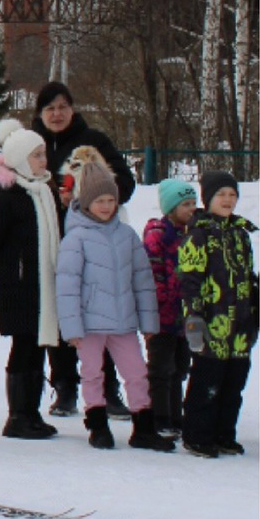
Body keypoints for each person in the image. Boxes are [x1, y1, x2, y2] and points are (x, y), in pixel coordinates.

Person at [32, 81, 138, 417]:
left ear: (73, 108)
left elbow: (125, 182)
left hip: (95, 244)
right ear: (40, 113)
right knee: (62, 314)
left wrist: (87, 194)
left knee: (99, 315)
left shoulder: (94, 141)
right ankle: (64, 387)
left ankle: (108, 390)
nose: (57, 114)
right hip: (51, 242)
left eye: (63, 106)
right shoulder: (33, 145)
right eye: (50, 108)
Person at [55, 162, 169, 451]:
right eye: (99, 201)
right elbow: (67, 286)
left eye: (110, 201)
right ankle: (97, 424)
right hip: (90, 324)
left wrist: (149, 323)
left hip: (124, 322)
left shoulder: (127, 235)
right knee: (92, 373)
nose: (106, 206)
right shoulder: (75, 238)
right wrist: (72, 327)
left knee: (136, 373)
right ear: (87, 202)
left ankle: (143, 426)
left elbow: (142, 280)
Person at [0, 118, 65, 439]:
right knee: (23, 345)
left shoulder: (45, 190)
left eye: (44, 154)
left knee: (38, 346)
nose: (44, 161)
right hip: (18, 285)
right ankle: (17, 414)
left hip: (43, 285)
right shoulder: (8, 196)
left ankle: (32, 411)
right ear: (18, 159)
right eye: (36, 155)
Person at [178, 170, 257, 459]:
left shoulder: (240, 234)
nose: (227, 200)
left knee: (233, 383)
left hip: (240, 325)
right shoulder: (199, 234)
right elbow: (190, 280)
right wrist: (194, 318)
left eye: (232, 194)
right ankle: (198, 435)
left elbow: (248, 277)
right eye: (221, 194)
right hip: (213, 323)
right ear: (208, 198)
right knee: (207, 382)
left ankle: (224, 433)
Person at [142, 178, 196, 439]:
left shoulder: (193, 234)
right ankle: (159, 416)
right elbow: (153, 276)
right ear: (171, 207)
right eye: (186, 204)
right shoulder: (159, 235)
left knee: (180, 367)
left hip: (184, 318)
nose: (192, 209)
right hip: (162, 316)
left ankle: (176, 416)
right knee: (160, 369)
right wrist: (157, 310)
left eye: (194, 203)